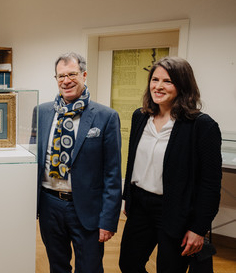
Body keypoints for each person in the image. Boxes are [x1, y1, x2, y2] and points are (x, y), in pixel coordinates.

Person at [119, 57, 222, 272]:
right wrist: (128, 197)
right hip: (140, 206)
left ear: (183, 85)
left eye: (168, 81)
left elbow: (210, 184)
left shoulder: (202, 126)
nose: (158, 86)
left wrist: (199, 228)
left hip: (176, 210)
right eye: (154, 79)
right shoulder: (140, 117)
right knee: (128, 264)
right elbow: (132, 162)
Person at [34, 52, 122, 272]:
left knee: (90, 268)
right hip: (49, 205)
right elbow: (33, 161)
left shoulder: (106, 116)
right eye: (61, 76)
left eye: (72, 74)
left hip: (86, 209)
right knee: (57, 265)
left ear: (84, 75)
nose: (66, 81)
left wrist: (109, 220)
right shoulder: (42, 112)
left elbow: (112, 173)